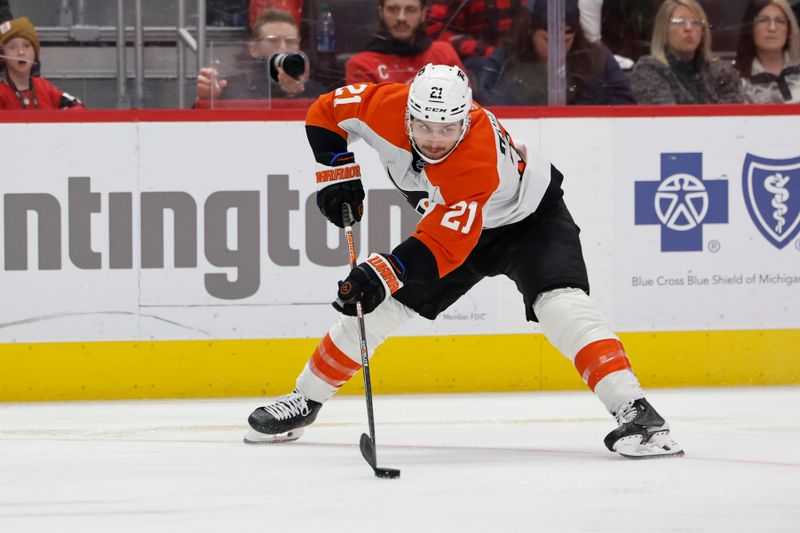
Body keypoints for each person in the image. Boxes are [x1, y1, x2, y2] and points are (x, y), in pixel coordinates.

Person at [243, 63, 684, 460]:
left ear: (465, 118)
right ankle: (305, 399)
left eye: (447, 129)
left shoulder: (475, 159)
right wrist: (338, 171)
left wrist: (380, 272)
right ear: (406, 115)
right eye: (424, 127)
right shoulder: (382, 105)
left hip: (529, 222)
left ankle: (639, 414)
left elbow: (443, 245)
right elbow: (324, 112)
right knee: (380, 309)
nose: (435, 140)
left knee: (559, 305)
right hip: (454, 226)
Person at [480, 0, 635, 106]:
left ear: (576, 34)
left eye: (566, 40)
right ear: (530, 32)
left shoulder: (598, 60)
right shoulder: (505, 60)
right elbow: (486, 109)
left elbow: (626, 107)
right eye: (548, 40)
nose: (558, 49)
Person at [195, 8, 324, 104]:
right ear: (254, 49)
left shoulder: (317, 94)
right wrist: (206, 100)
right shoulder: (230, 88)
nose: (283, 48)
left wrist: (295, 94)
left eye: (290, 41)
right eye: (273, 40)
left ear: (298, 46)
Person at [628, 0, 743, 105]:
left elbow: (733, 119)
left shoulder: (722, 72)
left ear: (703, 31)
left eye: (695, 22)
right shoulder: (649, 70)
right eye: (679, 21)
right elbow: (667, 120)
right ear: (663, 29)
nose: (688, 28)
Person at [346, 0, 464, 84]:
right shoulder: (361, 65)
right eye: (393, 9)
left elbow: (467, 108)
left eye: (411, 10)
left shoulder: (443, 53)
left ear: (423, 14)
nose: (401, 18)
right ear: (381, 12)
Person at [0, 17, 84, 110]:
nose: (21, 52)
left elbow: (78, 106)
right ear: (2, 55)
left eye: (27, 46)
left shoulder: (45, 87)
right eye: (12, 47)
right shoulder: (1, 92)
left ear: (35, 53)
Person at [425, 0, 527, 75]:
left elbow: (536, 21)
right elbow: (435, 31)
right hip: (472, 65)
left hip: (524, 60)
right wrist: (484, 50)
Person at [735, 0, 800, 103]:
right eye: (763, 20)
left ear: (789, 30)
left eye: (780, 21)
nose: (772, 28)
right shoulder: (734, 79)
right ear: (751, 28)